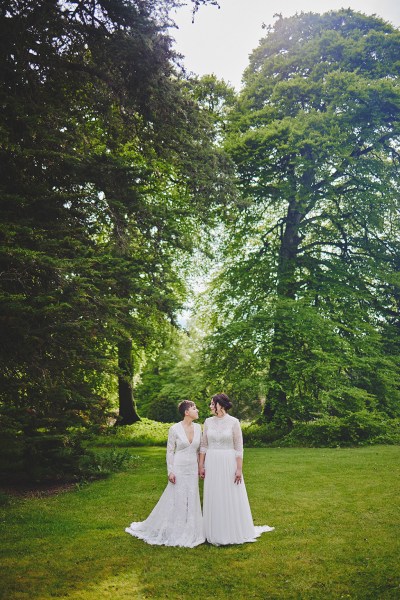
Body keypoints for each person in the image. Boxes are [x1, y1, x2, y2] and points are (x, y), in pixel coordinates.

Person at [125, 400, 205, 547]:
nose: (197, 410)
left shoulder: (199, 428)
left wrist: (201, 467)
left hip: (192, 468)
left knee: (192, 497)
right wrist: (171, 471)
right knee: (178, 498)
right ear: (187, 412)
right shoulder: (174, 429)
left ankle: (192, 528)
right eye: (194, 408)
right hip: (179, 467)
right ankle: (176, 529)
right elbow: (170, 451)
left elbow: (200, 450)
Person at [199, 393, 274, 545]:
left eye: (213, 403)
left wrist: (239, 469)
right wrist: (201, 465)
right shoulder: (207, 422)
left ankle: (231, 529)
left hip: (228, 461)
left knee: (229, 493)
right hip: (212, 462)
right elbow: (204, 445)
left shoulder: (234, 422)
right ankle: (213, 530)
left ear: (221, 405)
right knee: (214, 494)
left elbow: (239, 447)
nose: (211, 406)